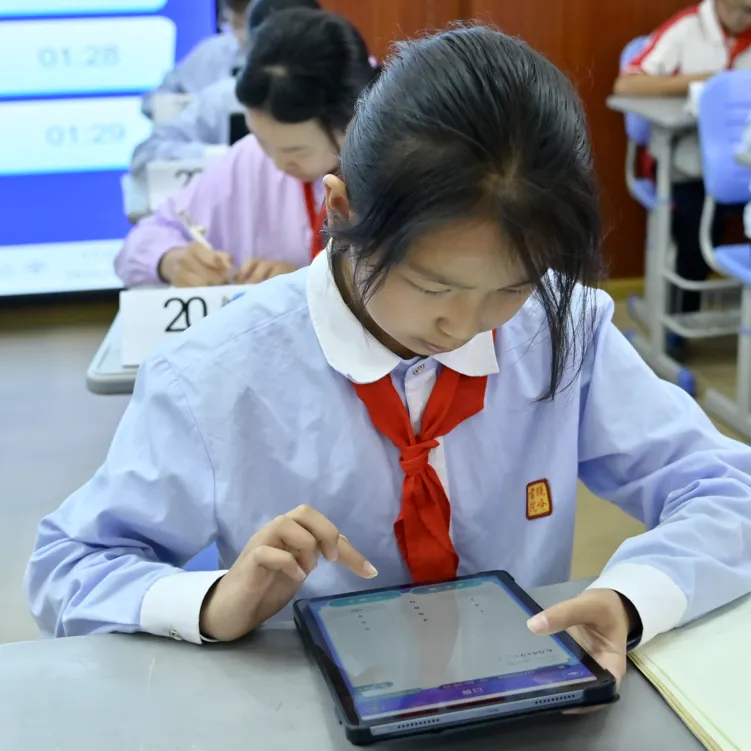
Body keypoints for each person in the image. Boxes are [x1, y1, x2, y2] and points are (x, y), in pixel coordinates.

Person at [26, 27, 751, 689]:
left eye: (513, 285)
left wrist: (632, 597)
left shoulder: (563, 331)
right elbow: (70, 567)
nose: (465, 325)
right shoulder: (214, 376)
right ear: (340, 211)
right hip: (294, 711)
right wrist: (216, 601)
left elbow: (727, 490)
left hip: (520, 703)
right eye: (433, 286)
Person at [115, 9, 377, 288]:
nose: (277, 164)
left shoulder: (390, 168)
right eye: (263, 141)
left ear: (351, 120)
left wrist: (305, 285)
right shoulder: (251, 159)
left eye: (296, 152)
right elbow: (139, 243)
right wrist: (170, 259)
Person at [614, 0, 751, 320]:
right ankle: (679, 319)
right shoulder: (687, 28)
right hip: (686, 167)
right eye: (742, 10)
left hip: (743, 165)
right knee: (697, 225)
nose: (746, 19)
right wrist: (706, 82)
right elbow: (627, 83)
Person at [131, 0, 323, 178]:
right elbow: (145, 154)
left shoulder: (334, 97)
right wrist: (222, 157)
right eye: (236, 24)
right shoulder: (223, 96)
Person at [142, 0, 252, 120]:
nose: (243, 34)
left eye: (249, 24)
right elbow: (151, 105)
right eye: (237, 25)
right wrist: (201, 109)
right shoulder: (211, 52)